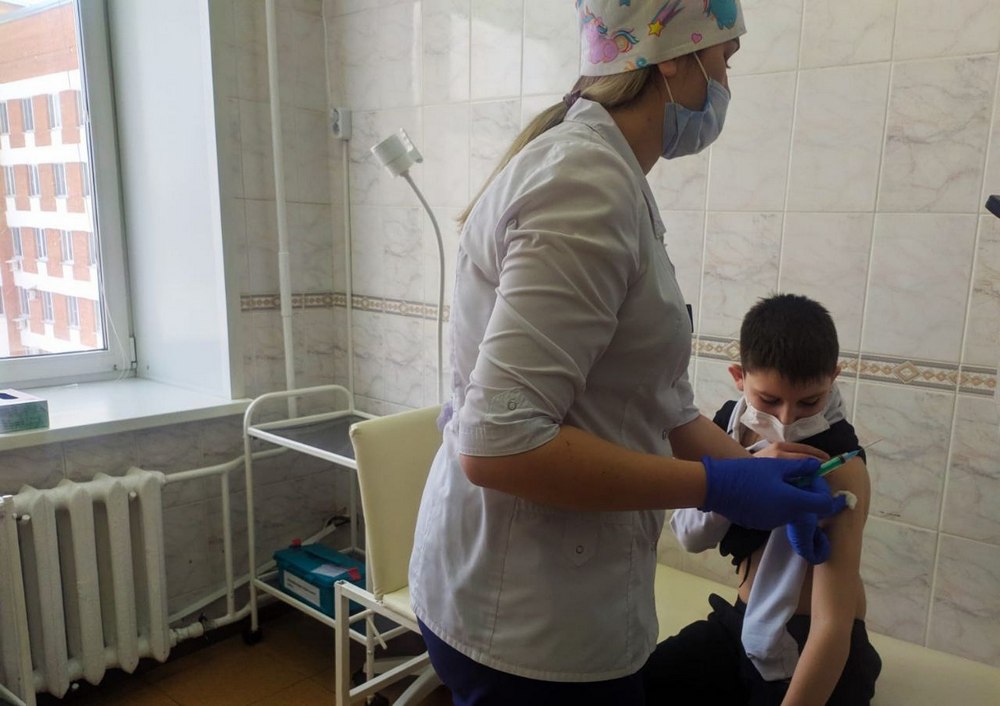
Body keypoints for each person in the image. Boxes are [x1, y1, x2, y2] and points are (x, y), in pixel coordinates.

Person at [408, 3, 843, 704]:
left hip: (546, 594)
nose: (725, 84)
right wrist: (717, 488)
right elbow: (500, 446)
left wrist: (757, 473)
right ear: (674, 58)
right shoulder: (584, 185)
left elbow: (660, 405)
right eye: (724, 61)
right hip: (527, 616)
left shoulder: (609, 178)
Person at [645, 293, 882, 705]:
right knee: (631, 689)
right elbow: (689, 535)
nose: (786, 419)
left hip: (810, 645)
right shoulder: (728, 427)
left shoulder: (839, 465)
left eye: (809, 401)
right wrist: (745, 472)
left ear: (833, 378)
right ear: (739, 376)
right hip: (741, 625)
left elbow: (832, 626)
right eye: (769, 400)